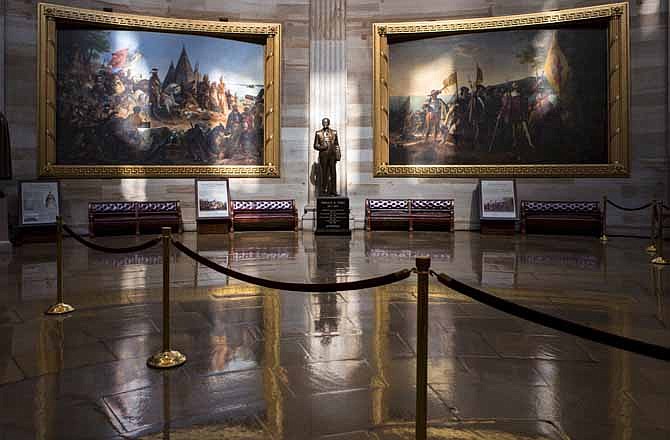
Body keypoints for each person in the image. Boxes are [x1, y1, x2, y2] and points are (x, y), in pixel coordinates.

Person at [313, 117, 340, 197]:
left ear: (329, 123)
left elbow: (336, 144)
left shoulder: (334, 132)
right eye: (324, 122)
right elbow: (315, 145)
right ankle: (323, 190)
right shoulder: (318, 133)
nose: (325, 124)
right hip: (323, 155)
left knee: (333, 173)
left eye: (326, 122)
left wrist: (338, 154)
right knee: (324, 173)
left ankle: (333, 191)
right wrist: (322, 147)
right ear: (322, 123)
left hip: (332, 156)